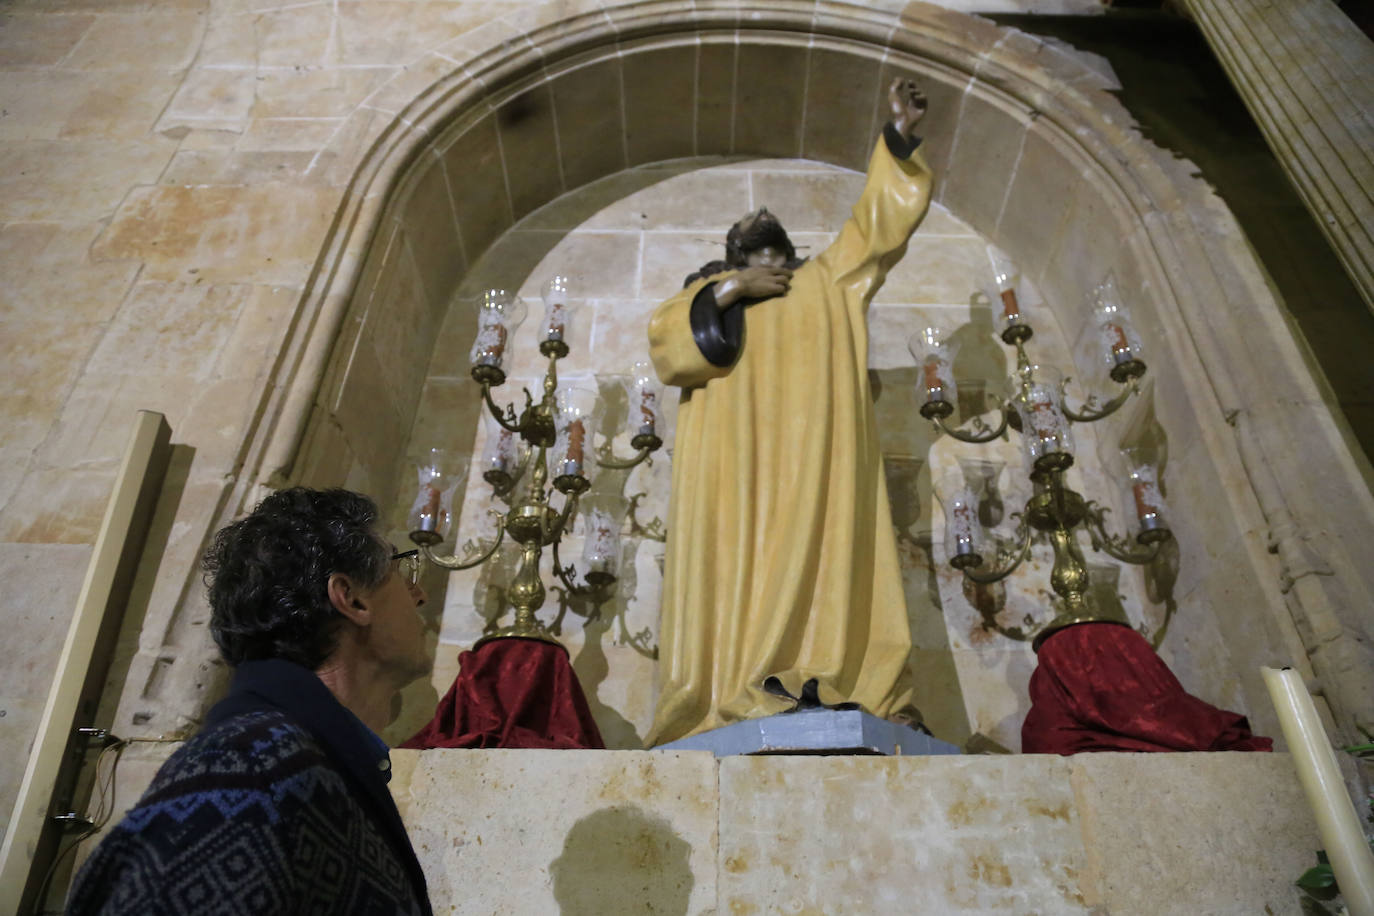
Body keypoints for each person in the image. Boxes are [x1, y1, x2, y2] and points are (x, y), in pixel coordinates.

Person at [645, 78, 933, 746]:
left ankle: (837, 681)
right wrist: (730, 290)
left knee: (829, 548)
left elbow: (878, 226)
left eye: (771, 241)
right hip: (734, 462)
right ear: (733, 253)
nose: (762, 222)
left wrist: (899, 138)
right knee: (734, 559)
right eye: (749, 243)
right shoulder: (706, 293)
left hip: (817, 453)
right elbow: (669, 349)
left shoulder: (828, 279)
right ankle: (728, 687)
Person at [67, 487, 433, 915]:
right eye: (400, 571)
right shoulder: (250, 769)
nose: (419, 595)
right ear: (351, 599)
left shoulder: (297, 764)